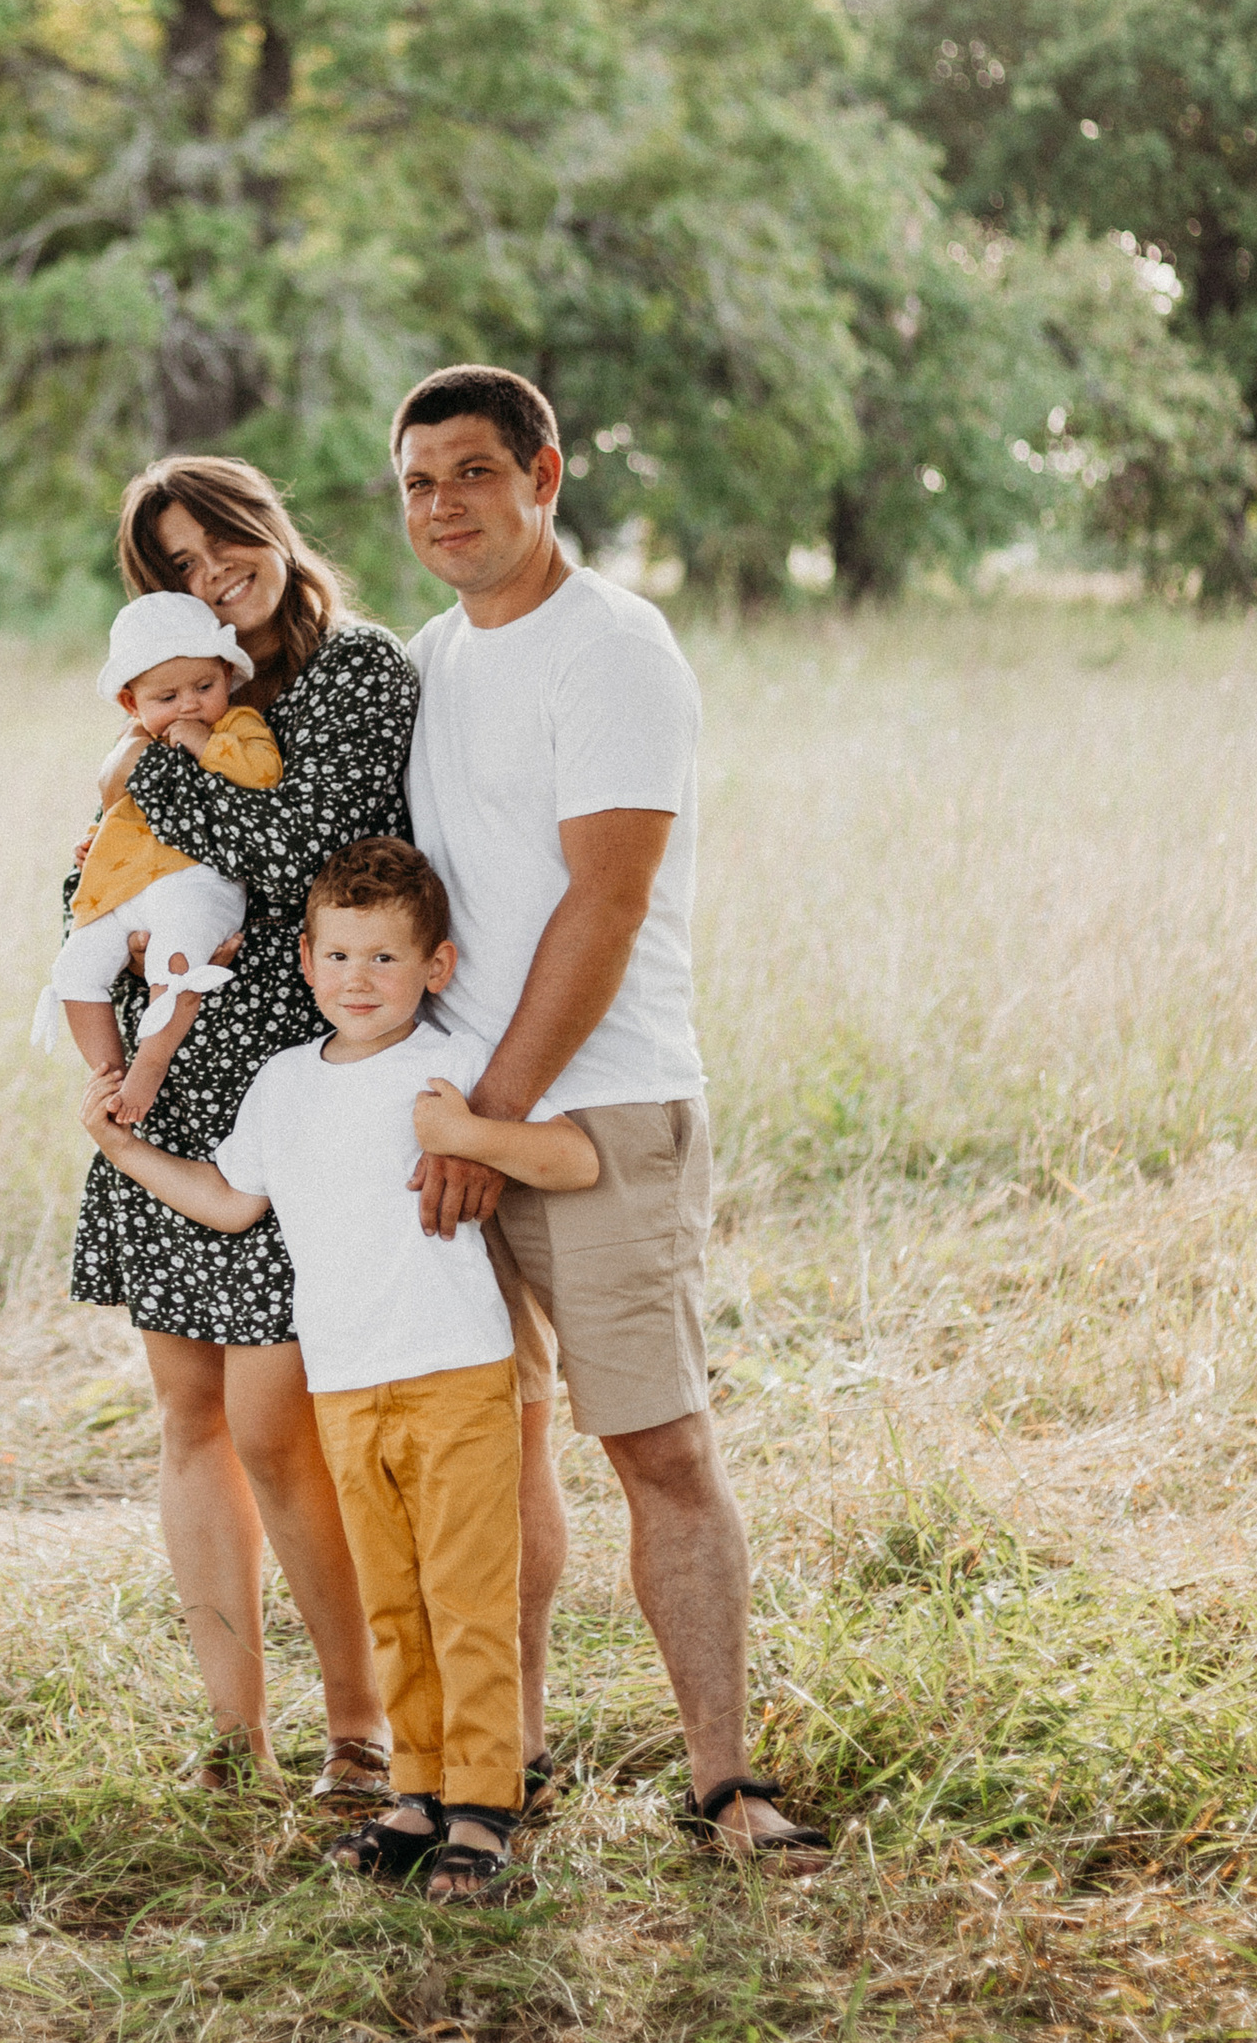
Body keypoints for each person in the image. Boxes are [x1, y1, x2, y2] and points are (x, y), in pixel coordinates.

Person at [395, 363, 829, 1870]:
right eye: (417, 484)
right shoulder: (433, 659)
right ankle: (500, 1771)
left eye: (470, 473)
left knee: (654, 1444)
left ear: (544, 475)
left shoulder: (615, 650)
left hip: (600, 1114)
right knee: (489, 1459)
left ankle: (724, 1781)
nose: (442, 507)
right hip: (459, 1117)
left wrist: (487, 1119)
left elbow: (608, 895)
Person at [82, 837, 597, 1904]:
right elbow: (232, 1202)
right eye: (340, 957)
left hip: (454, 1374)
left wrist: (468, 1133)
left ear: (435, 969)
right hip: (346, 1384)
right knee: (395, 1599)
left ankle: (484, 1808)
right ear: (305, 963)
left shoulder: (445, 1067)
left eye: (386, 961)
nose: (359, 981)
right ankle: (413, 1793)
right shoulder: (281, 1086)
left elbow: (575, 1159)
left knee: (465, 1595)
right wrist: (124, 1152)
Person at [68, 455, 420, 1800]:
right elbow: (86, 879)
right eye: (177, 568)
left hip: (296, 1092)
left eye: (224, 541)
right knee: (189, 1420)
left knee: (281, 1426)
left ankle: (358, 1727)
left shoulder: (352, 673)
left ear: (269, 529)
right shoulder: (178, 695)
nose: (213, 575)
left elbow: (307, 853)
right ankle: (235, 1732)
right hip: (164, 1080)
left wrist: (149, 775)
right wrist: (98, 1018)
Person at [32, 592, 282, 1130]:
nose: (190, 705)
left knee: (178, 960)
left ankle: (151, 1062)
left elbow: (263, 771)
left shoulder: (236, 725)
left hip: (197, 881)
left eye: (204, 687)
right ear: (132, 703)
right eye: (167, 696)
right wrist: (96, 839)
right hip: (126, 887)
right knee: (75, 968)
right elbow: (121, 810)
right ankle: (108, 1074)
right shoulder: (133, 744)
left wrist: (204, 744)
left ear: (226, 676)